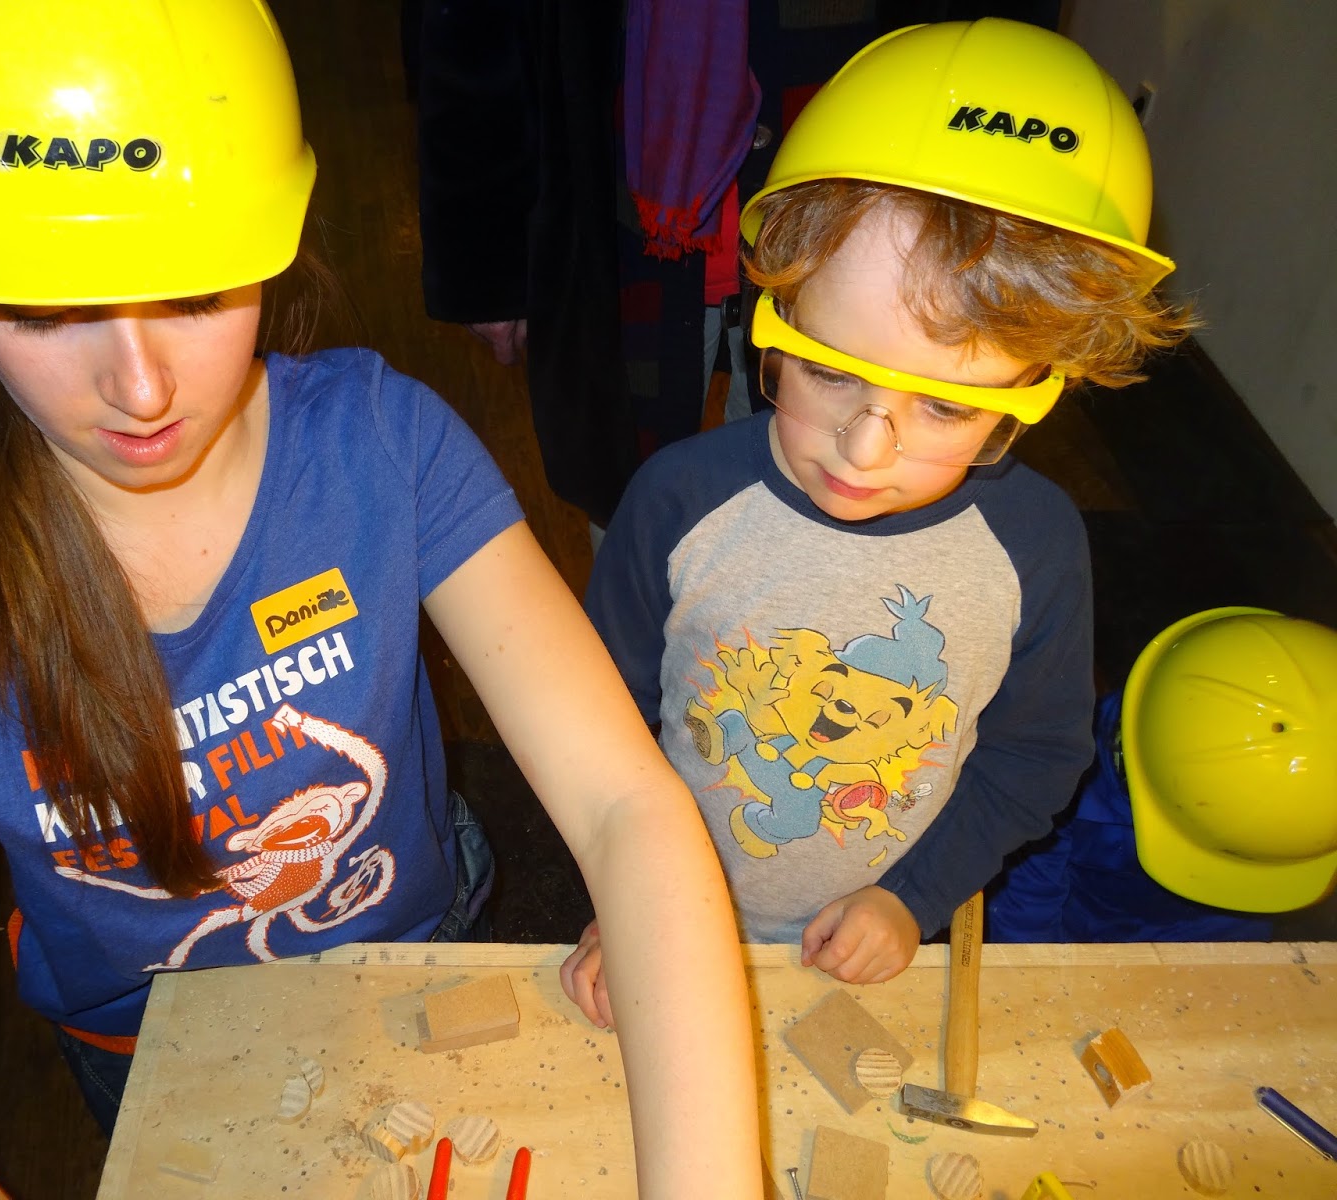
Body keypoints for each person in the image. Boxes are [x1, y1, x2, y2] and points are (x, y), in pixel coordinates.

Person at [0, 2, 763, 1196]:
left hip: (413, 946)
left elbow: (624, 805)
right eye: (44, 308)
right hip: (145, 1043)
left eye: (197, 290)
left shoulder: (383, 442)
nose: (140, 388)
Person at [561, 18, 1198, 1024]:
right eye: (828, 372)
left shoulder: (1035, 549)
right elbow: (593, 733)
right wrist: (624, 893)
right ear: (774, 306)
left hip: (884, 938)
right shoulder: (678, 502)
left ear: (1039, 388)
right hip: (659, 906)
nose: (863, 452)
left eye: (945, 407)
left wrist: (913, 897)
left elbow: (1034, 758)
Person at [990, 607, 1337, 941]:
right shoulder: (1053, 785)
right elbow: (1026, 912)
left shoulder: (1285, 828)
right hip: (1080, 921)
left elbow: (1236, 922)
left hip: (1213, 920)